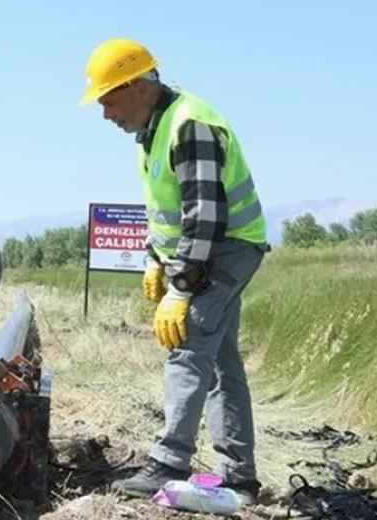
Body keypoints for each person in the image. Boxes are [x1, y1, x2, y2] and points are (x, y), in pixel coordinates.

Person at [81, 39, 270, 505]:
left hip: (225, 249)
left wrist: (181, 288)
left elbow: (205, 216)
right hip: (207, 250)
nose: (105, 113)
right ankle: (238, 475)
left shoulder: (189, 125)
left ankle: (168, 462)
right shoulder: (155, 129)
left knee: (187, 346)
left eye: (108, 99)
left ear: (136, 86)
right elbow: (168, 209)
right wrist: (154, 258)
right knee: (221, 363)